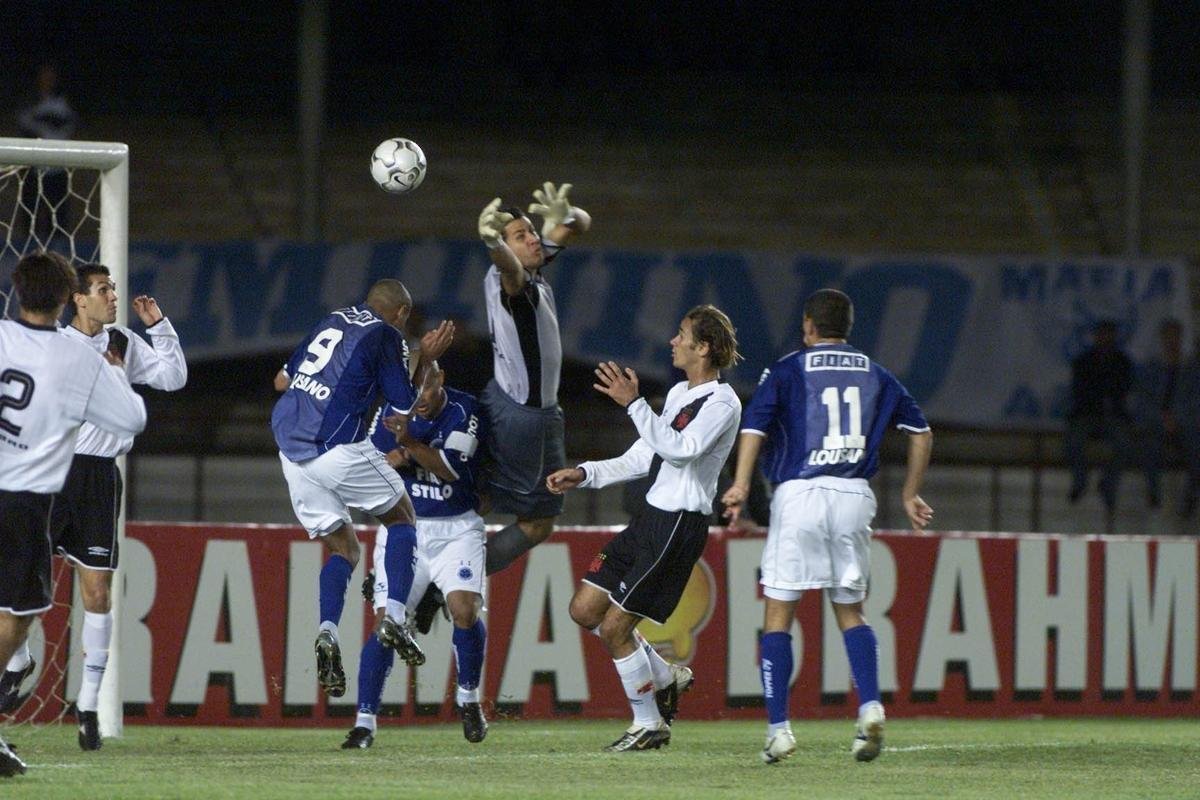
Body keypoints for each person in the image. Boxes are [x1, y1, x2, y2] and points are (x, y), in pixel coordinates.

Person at [720, 288, 933, 766]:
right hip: (855, 496)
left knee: (779, 616)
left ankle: (779, 731)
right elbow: (921, 432)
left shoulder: (789, 369)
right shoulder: (877, 374)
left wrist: (738, 484)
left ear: (808, 326)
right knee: (851, 611)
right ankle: (871, 706)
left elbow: (754, 427)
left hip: (800, 494)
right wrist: (910, 493)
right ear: (846, 328)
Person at [0, 263, 186, 750]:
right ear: (76, 299)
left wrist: (161, 329)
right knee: (25, 587)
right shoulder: (64, 351)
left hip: (99, 477)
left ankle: (88, 706)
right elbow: (132, 415)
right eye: (103, 289)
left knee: (97, 592)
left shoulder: (120, 340)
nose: (112, 296)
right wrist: (117, 382)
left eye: (113, 289)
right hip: (51, 472)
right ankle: (16, 664)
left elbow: (172, 377)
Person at [547, 305, 742, 752]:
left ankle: (648, 723)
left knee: (616, 628)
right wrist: (585, 472)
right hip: (650, 518)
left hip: (679, 523)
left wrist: (634, 404)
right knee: (584, 610)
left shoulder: (723, 402)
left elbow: (683, 451)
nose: (673, 341)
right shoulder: (677, 395)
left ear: (704, 347)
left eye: (682, 334)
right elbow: (643, 457)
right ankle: (666, 676)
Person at [271, 280, 453, 697]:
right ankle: (393, 617)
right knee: (403, 516)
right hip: (334, 448)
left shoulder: (332, 319)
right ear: (402, 313)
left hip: (289, 446)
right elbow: (404, 403)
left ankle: (328, 630)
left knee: (345, 550)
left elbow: (282, 380)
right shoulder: (388, 336)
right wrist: (424, 355)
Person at [342, 365, 489, 749]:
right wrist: (402, 454)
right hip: (403, 527)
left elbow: (450, 469)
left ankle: (469, 698)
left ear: (442, 381)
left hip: (456, 528)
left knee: (465, 610)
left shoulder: (465, 410)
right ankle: (364, 723)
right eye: (415, 390)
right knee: (385, 625)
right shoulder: (392, 406)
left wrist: (407, 448)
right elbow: (374, 458)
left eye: (428, 388)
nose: (421, 399)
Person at [474, 183, 591, 574]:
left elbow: (579, 225)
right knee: (537, 521)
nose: (533, 240)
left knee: (483, 495)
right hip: (528, 418)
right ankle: (454, 574)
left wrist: (567, 216)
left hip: (501, 397)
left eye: (531, 232)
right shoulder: (519, 287)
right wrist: (495, 244)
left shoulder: (529, 265)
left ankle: (422, 561)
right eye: (520, 236)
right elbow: (510, 269)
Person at [1064, 320, 1133, 511]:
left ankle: (1109, 485)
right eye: (1101, 335)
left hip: (1114, 416)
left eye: (1109, 335)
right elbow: (1080, 392)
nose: (1105, 339)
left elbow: (1123, 390)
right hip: (1086, 415)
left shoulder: (1123, 362)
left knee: (1125, 445)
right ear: (1095, 337)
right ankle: (1080, 481)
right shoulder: (1082, 362)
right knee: (1073, 441)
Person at [16, 63, 78, 244]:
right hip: (33, 168)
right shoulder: (29, 100)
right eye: (44, 76)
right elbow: (24, 124)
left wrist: (53, 133)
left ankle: (59, 256)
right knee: (30, 214)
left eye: (50, 76)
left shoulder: (64, 101)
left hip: (58, 168)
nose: (47, 80)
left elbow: (71, 126)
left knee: (58, 217)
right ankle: (28, 254)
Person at [1130, 319, 1185, 509]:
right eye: (1168, 336)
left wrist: (1178, 418)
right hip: (1157, 424)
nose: (1172, 341)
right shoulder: (1152, 368)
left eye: (1175, 337)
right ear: (1162, 339)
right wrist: (1163, 418)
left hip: (1186, 425)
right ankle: (1154, 493)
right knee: (1150, 445)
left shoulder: (1191, 369)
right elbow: (1143, 400)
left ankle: (1190, 497)